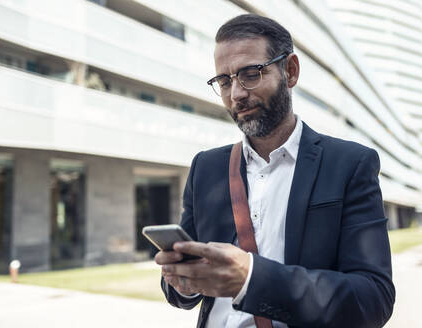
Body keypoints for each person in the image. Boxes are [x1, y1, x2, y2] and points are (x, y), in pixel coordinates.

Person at [155, 14, 395, 328]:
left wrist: (251, 278)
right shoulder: (206, 168)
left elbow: (373, 300)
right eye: (225, 81)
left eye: (250, 74)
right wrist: (183, 284)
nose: (236, 94)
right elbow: (182, 295)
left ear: (290, 71)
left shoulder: (350, 164)